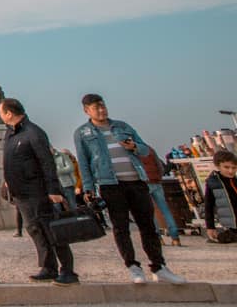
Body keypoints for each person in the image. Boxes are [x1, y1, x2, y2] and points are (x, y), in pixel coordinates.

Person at [74, 93, 185, 284]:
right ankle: (133, 267)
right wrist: (88, 188)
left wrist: (134, 146)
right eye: (95, 107)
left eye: (102, 106)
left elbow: (144, 149)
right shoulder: (83, 133)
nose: (101, 110)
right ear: (87, 111)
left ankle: (159, 267)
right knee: (120, 227)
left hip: (136, 180)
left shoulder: (122, 127)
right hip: (110, 184)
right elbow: (83, 161)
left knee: (148, 225)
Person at [0, 98, 77, 286]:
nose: (0, 116)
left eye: (1, 113)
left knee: (52, 231)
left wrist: (53, 189)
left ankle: (68, 270)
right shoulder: (11, 134)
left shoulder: (33, 132)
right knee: (35, 230)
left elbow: (47, 162)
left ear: (9, 113)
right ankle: (48, 267)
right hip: (21, 193)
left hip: (38, 191)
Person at [137, 146, 180, 246]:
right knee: (165, 209)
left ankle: (158, 237)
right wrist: (159, 177)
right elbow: (160, 165)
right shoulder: (150, 149)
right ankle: (175, 238)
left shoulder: (132, 150)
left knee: (150, 211)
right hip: (156, 182)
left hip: (144, 182)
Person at [204, 149, 237, 243]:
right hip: (230, 225)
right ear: (218, 166)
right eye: (226, 167)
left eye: (234, 168)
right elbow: (208, 206)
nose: (230, 171)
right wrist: (210, 227)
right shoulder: (213, 183)